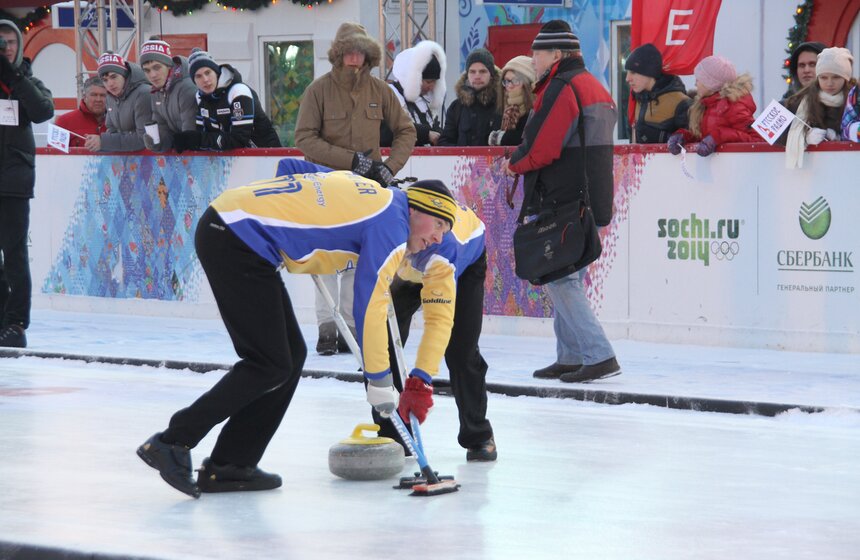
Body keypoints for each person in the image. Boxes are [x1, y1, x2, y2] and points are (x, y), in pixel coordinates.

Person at [136, 170, 456, 498]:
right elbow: (369, 304)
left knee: (288, 357)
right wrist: (378, 380)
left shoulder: (373, 193)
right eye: (440, 225)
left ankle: (231, 464)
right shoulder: (392, 224)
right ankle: (173, 441)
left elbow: (292, 166)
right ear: (418, 210)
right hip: (235, 238)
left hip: (235, 232)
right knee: (268, 363)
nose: (439, 239)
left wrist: (295, 214)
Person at [501, 20, 620, 383]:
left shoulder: (561, 87)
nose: (532, 59)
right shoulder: (593, 85)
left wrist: (514, 164)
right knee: (567, 274)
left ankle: (599, 355)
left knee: (561, 278)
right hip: (592, 194)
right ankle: (569, 356)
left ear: (556, 54)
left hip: (565, 197)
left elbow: (543, 146)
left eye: (537, 52)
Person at [294, 22, 416, 356]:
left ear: (368, 55)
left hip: (366, 191)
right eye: (348, 50)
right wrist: (351, 161)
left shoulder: (381, 91)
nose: (354, 58)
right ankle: (326, 328)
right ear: (337, 53)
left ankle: (349, 324)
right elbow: (304, 138)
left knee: (356, 259)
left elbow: (407, 130)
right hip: (324, 188)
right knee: (324, 259)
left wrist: (390, 168)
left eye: (360, 51)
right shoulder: (318, 90)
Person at [377, 186, 497, 461]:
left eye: (444, 227)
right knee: (382, 340)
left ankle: (478, 434)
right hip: (410, 264)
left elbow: (438, 323)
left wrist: (421, 381)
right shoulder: (385, 222)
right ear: (412, 213)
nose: (437, 234)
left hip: (463, 264)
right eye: (437, 225)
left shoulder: (443, 251)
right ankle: (393, 432)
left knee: (460, 349)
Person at [0, 19, 54, 348]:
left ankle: (16, 323)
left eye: (9, 42)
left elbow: (43, 111)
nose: (4, 47)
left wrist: (14, 77)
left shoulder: (28, 79)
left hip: (14, 179)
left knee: (14, 253)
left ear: (19, 46)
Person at [172, 48, 281, 153]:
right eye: (198, 76)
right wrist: (187, 140)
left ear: (216, 72)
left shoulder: (238, 92)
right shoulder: (200, 97)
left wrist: (198, 140)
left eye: (208, 72)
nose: (205, 80)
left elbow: (239, 139)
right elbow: (202, 132)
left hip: (266, 156)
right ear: (194, 81)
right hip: (233, 161)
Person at [667, 55, 761, 158]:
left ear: (711, 84)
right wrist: (684, 136)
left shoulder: (734, 107)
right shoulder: (706, 105)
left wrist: (718, 137)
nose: (695, 84)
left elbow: (757, 139)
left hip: (734, 169)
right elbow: (704, 136)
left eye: (699, 80)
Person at [784, 47, 856, 168]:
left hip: (848, 168)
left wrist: (841, 137)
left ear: (846, 78)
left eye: (836, 77)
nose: (829, 83)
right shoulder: (800, 101)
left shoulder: (855, 100)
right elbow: (777, 133)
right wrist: (805, 138)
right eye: (823, 77)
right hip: (810, 173)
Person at [381, 40, 446, 147]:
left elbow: (435, 129)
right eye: (428, 82)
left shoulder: (424, 102)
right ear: (413, 78)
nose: (431, 87)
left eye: (435, 82)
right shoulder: (388, 96)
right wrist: (426, 134)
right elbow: (388, 130)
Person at [624, 43, 692, 144]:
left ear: (649, 72)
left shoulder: (681, 102)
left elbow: (693, 141)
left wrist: (665, 138)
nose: (627, 78)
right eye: (627, 72)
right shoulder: (638, 99)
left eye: (633, 72)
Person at [138, 37, 198, 152]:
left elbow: (190, 135)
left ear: (169, 66)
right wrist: (157, 143)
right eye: (147, 70)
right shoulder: (156, 91)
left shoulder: (186, 88)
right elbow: (164, 130)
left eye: (157, 67)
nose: (153, 75)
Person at [85, 52, 152, 152]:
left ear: (124, 75)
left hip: (152, 161)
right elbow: (111, 130)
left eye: (114, 77)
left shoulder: (143, 93)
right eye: (105, 80)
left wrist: (104, 142)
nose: (110, 84)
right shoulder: (110, 97)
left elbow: (144, 139)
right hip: (128, 160)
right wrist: (96, 141)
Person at [438, 47, 502, 146]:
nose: (477, 76)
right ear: (467, 75)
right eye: (472, 72)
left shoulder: (503, 104)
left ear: (491, 75)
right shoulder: (456, 107)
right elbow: (445, 142)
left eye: (482, 71)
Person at [488, 55, 535, 146]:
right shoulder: (503, 108)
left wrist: (503, 138)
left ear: (528, 83)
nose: (510, 86)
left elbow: (530, 141)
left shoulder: (537, 108)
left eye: (516, 80)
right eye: (506, 81)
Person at [54, 76, 106, 147]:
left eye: (103, 95)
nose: (98, 99)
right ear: (84, 97)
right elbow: (53, 154)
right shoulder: (64, 121)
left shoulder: (119, 121)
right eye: (93, 95)